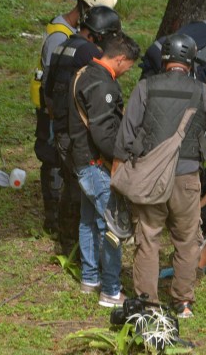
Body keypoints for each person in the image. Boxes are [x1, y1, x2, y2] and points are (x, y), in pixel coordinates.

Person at [113, 33, 206, 318]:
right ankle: (183, 301)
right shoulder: (205, 93)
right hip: (187, 178)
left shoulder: (145, 87)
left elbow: (126, 135)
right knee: (187, 239)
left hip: (150, 176)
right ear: (190, 61)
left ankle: (147, 302)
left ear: (165, 60)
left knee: (148, 238)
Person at [31, 0, 117, 234]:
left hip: (56, 114)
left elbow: (49, 82)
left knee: (62, 170)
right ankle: (60, 225)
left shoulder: (67, 38)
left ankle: (59, 224)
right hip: (60, 117)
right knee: (61, 171)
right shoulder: (67, 39)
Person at [69, 32, 140, 307]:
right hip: (97, 165)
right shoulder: (104, 86)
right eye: (129, 66)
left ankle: (90, 277)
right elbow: (104, 135)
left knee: (88, 221)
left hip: (80, 160)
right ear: (120, 59)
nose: (127, 71)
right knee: (113, 226)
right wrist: (123, 156)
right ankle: (110, 290)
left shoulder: (84, 73)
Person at [44, 6, 122, 255]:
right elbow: (98, 93)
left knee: (70, 185)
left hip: (61, 129)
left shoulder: (62, 45)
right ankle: (80, 249)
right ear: (101, 35)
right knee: (83, 190)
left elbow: (47, 89)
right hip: (78, 132)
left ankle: (67, 242)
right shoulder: (89, 52)